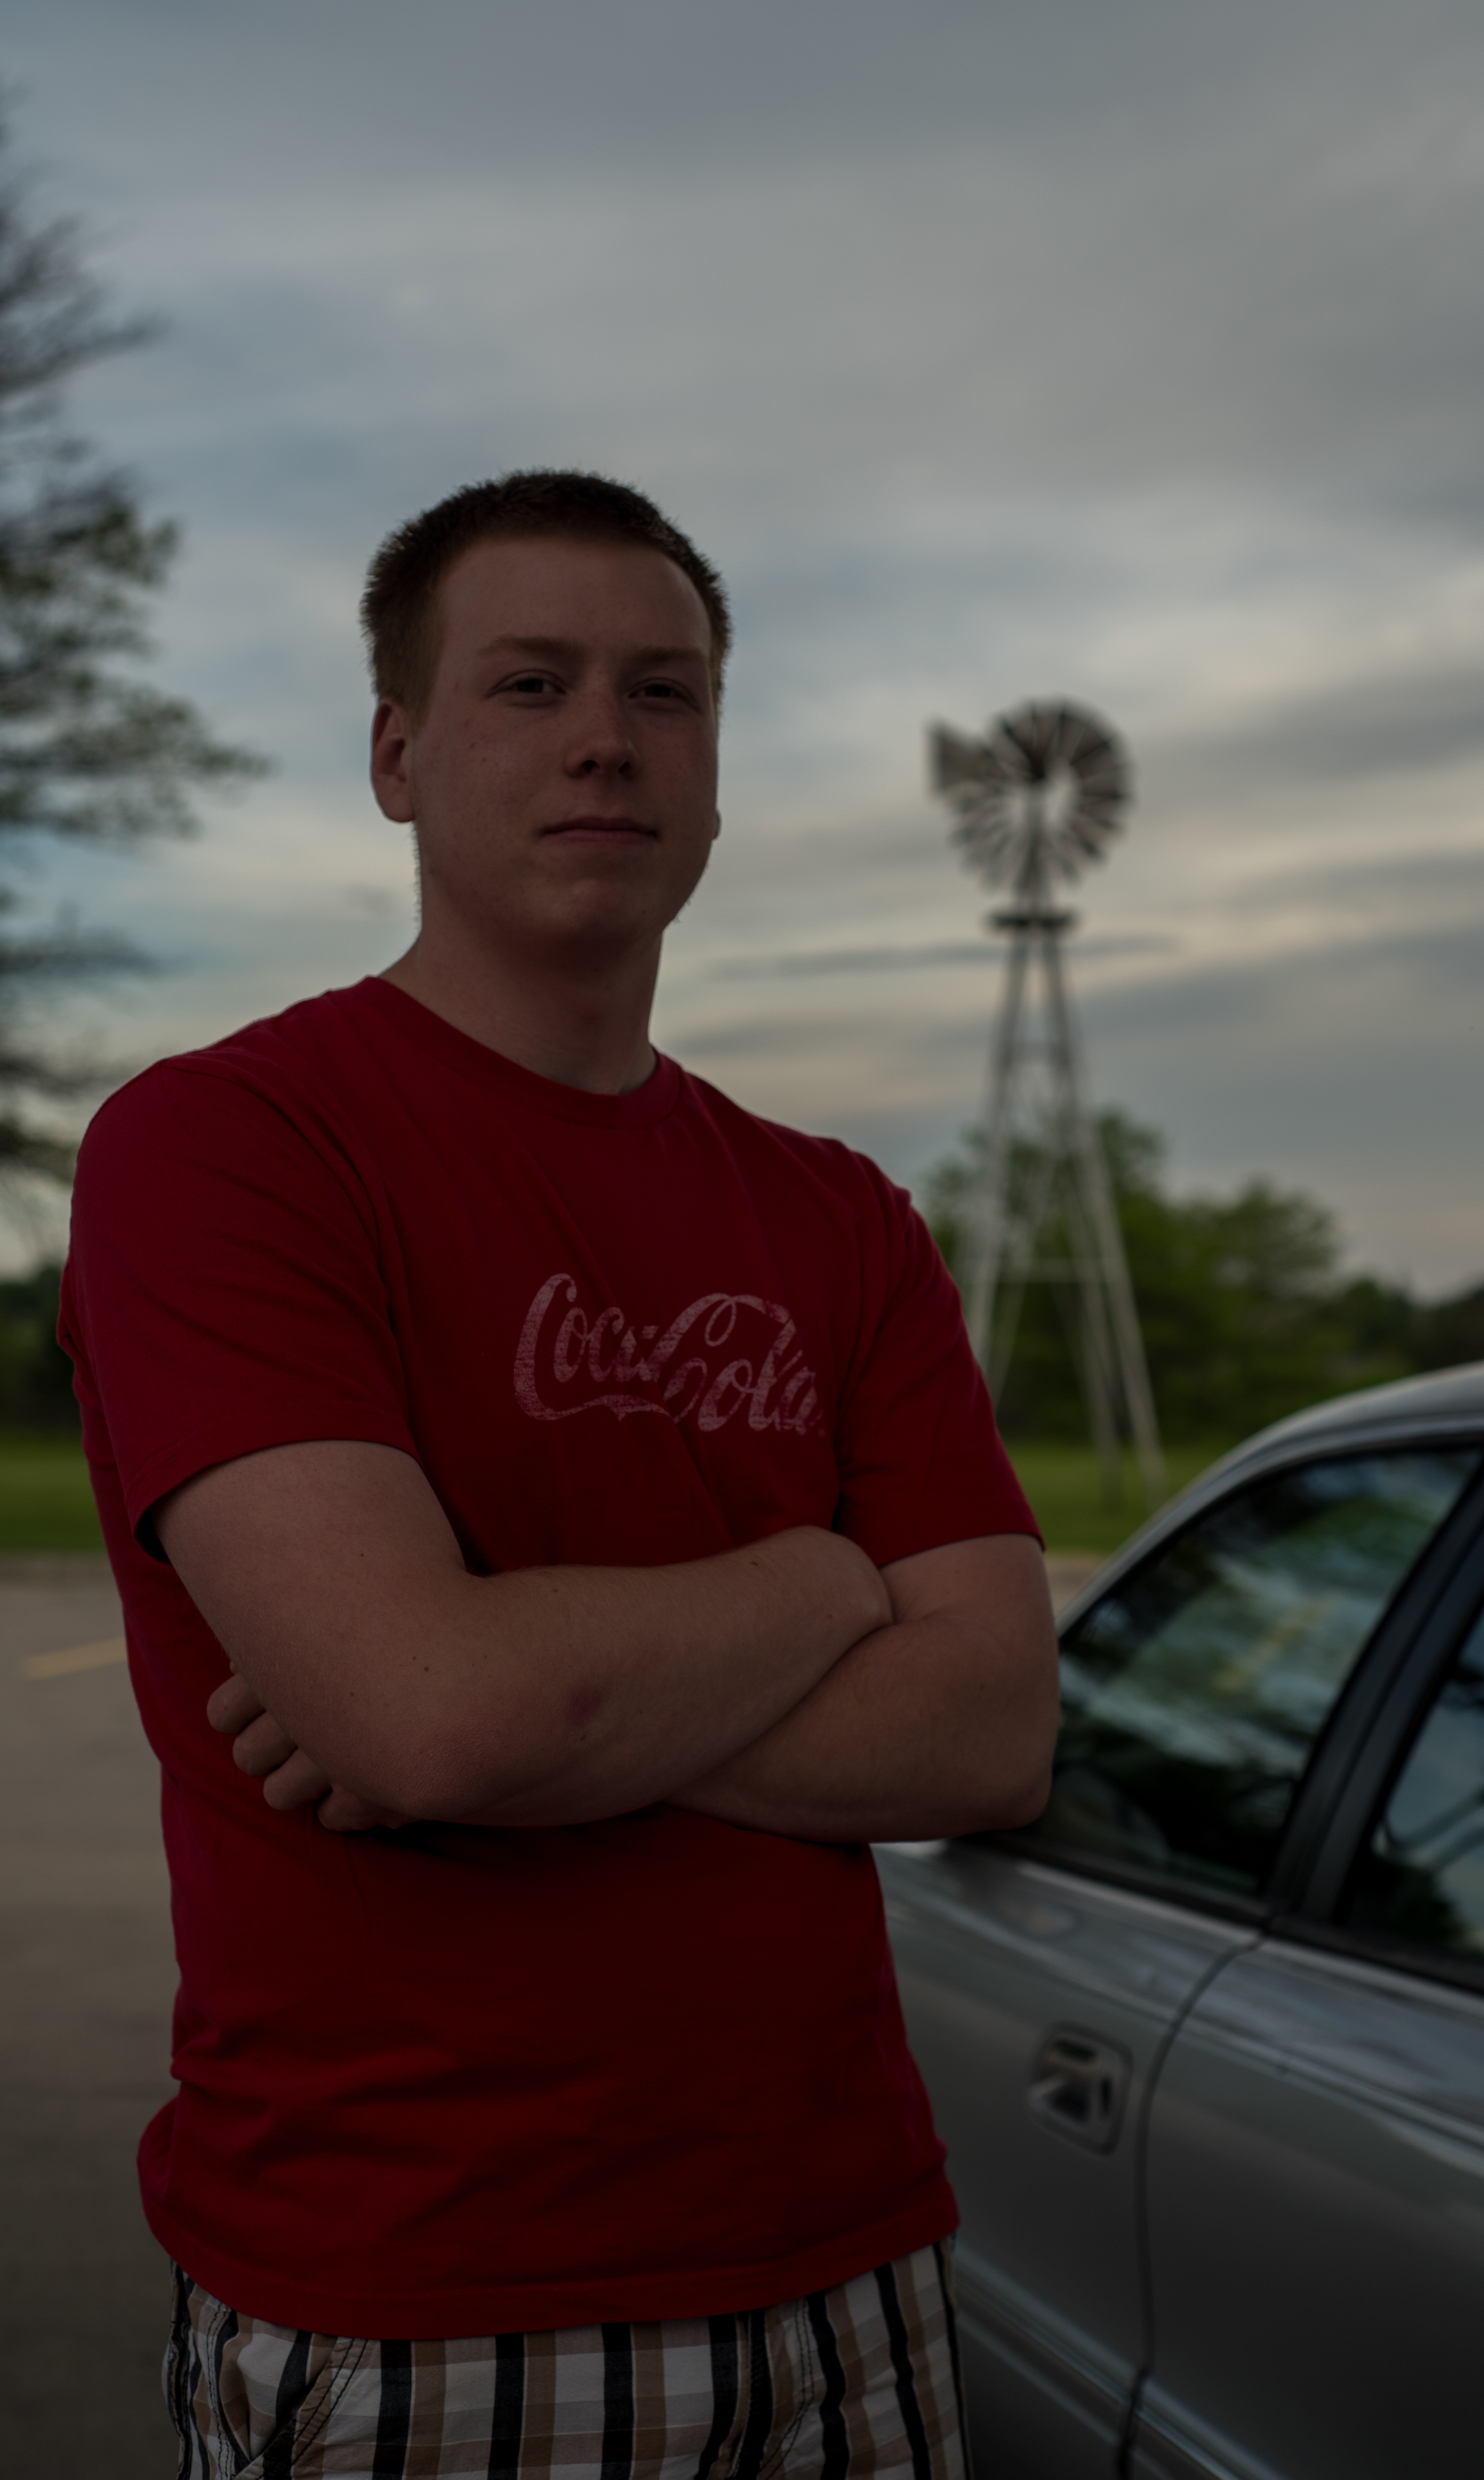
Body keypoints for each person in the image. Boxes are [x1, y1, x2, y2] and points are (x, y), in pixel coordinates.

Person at [60, 470, 1057, 2479]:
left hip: (854, 2267)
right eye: (528, 681)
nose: (606, 734)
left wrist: (515, 1691)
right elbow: (426, 1715)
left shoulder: (839, 1212)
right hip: (426, 2295)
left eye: (664, 692)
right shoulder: (229, 1146)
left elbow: (989, 1730)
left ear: (710, 771)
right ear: (397, 755)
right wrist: (819, 1580)